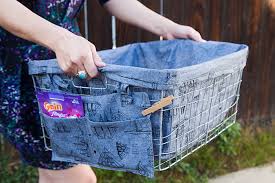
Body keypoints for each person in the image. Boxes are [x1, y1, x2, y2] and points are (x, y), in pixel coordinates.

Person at [0, 0, 205, 182]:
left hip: (67, 77)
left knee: (60, 172)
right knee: (74, 176)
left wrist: (166, 27)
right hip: (21, 75)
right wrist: (60, 39)